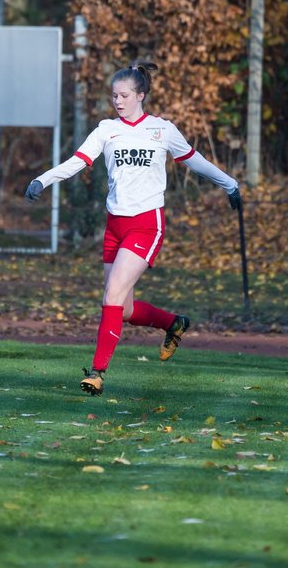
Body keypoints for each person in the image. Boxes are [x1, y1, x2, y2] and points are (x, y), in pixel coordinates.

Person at [24, 61, 241, 396]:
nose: (119, 101)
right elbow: (76, 161)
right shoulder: (106, 129)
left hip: (146, 224)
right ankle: (174, 323)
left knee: (110, 296)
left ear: (141, 95)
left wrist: (230, 185)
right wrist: (43, 180)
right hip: (115, 226)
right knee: (122, 309)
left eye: (125, 95)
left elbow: (195, 160)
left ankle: (97, 372)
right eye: (114, 96)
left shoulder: (162, 129)